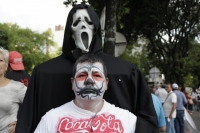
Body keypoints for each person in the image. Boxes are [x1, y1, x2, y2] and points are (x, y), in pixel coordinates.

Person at [16, 4, 157, 133]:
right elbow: (27, 121)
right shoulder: (43, 73)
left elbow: (147, 122)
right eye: (76, 22)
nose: (83, 26)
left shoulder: (127, 72)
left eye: (88, 22)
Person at [34, 54, 137, 133]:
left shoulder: (128, 120)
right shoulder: (51, 119)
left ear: (106, 83)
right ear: (73, 83)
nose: (89, 80)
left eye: (96, 75)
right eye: (82, 75)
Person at [0, 47, 27, 133]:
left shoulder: (17, 88)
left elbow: (34, 106)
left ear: (6, 65)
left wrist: (22, 124)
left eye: (0, 60)